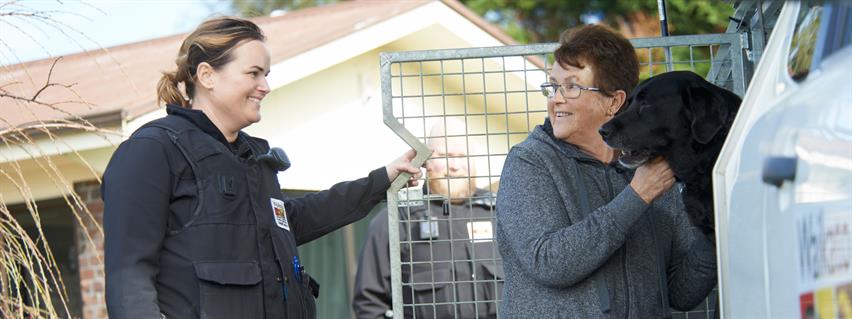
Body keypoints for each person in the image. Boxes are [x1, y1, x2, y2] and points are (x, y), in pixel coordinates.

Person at [102, 17, 421, 319]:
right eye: (253, 73)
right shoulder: (153, 151)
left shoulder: (254, 159)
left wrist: (382, 181)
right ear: (207, 75)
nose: (265, 86)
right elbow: (129, 277)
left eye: (266, 74)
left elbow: (293, 220)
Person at [495, 25, 717, 318]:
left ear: (614, 102)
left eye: (572, 86)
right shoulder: (529, 162)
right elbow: (549, 262)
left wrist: (713, 229)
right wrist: (638, 196)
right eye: (553, 86)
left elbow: (680, 291)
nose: (555, 98)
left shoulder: (652, 170)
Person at [352, 119, 502, 319]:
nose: (455, 166)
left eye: (462, 156)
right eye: (445, 156)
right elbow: (369, 305)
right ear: (426, 161)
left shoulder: (501, 213)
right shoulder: (398, 220)